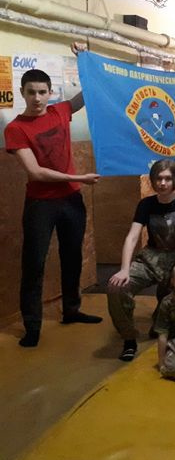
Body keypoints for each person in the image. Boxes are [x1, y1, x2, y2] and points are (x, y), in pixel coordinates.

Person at [4, 69, 101, 347]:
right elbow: (35, 172)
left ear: (50, 93)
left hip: (71, 200)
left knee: (72, 257)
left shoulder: (60, 111)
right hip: (40, 204)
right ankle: (32, 326)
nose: (37, 98)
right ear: (22, 93)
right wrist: (78, 177)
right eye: (31, 92)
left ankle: (71, 310)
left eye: (42, 92)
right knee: (34, 263)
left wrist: (86, 59)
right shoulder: (15, 129)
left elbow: (87, 93)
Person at [107, 159, 175, 362]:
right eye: (158, 178)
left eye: (168, 178)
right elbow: (132, 237)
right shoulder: (146, 204)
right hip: (151, 258)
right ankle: (129, 339)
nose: (163, 183)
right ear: (153, 180)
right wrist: (124, 269)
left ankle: (160, 322)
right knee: (116, 287)